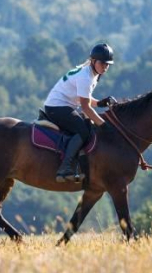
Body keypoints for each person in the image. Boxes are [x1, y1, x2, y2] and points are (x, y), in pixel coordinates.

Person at [43, 42, 117, 182]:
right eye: (103, 63)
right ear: (94, 61)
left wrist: (100, 103)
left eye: (108, 64)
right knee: (84, 131)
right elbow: (86, 107)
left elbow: (85, 98)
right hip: (57, 108)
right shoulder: (86, 77)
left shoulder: (91, 73)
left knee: (87, 125)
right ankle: (64, 168)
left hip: (63, 106)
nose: (105, 67)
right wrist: (103, 125)